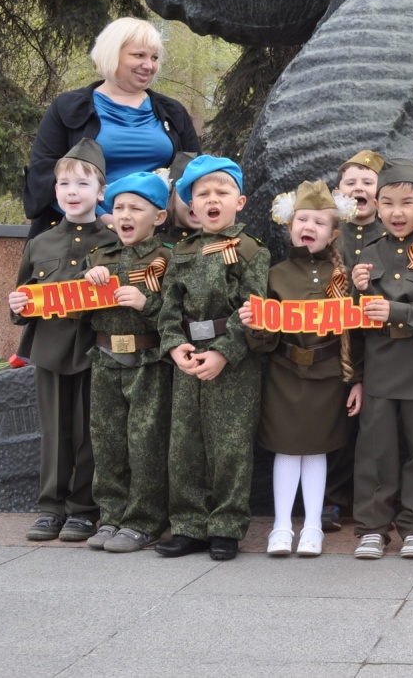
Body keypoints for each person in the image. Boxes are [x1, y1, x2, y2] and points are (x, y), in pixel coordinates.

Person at [240, 180, 363, 558]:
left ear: (334, 232)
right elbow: (263, 342)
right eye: (302, 220)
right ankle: (281, 525)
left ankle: (312, 526)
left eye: (319, 222)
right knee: (286, 450)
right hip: (284, 374)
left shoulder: (345, 276)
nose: (309, 227)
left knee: (316, 451)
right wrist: (254, 324)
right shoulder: (274, 274)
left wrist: (356, 378)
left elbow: (356, 333)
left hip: (328, 376)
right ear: (289, 225)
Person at [156, 155, 270, 561]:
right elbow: (167, 309)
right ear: (191, 206)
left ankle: (225, 526)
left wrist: (224, 352)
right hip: (188, 357)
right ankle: (188, 525)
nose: (212, 199)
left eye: (221, 192)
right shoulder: (181, 253)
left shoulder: (251, 251)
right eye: (202, 194)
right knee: (184, 445)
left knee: (230, 446)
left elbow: (254, 309)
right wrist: (174, 345)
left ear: (239, 201)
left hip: (232, 363)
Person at [8, 138, 116, 542]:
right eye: (65, 184)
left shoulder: (113, 242)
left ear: (101, 192)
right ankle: (50, 507)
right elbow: (23, 299)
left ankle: (83, 509)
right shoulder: (41, 243)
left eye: (83, 184)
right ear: (55, 192)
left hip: (95, 347)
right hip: (49, 348)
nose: (73, 192)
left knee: (90, 429)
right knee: (54, 430)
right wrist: (17, 304)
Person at [349, 161, 413, 560]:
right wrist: (357, 294)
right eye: (388, 203)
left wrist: (397, 313)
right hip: (378, 362)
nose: (396, 212)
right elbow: (351, 323)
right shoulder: (366, 255)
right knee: (375, 450)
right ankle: (372, 528)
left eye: (406, 203)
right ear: (376, 205)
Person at [23, 18, 200, 237]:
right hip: (82, 236)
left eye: (154, 58)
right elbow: (43, 174)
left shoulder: (173, 112)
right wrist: (101, 218)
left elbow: (195, 175)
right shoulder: (67, 107)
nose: (149, 65)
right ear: (112, 54)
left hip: (157, 238)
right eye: (139, 55)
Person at [80, 171, 172, 553]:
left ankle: (143, 520)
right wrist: (87, 281)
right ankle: (111, 515)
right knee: (107, 441)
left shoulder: (168, 258)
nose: (126, 215)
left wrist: (146, 303)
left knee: (145, 441)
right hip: (104, 360)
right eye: (118, 207)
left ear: (160, 217)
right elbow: (76, 312)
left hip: (147, 360)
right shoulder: (99, 256)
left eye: (137, 207)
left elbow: (178, 314)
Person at [325, 149, 387, 532]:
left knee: (377, 429)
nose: (359, 189)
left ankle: (379, 499)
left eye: (368, 183)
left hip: (378, 343)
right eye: (351, 183)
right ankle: (332, 499)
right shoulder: (330, 232)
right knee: (335, 422)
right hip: (335, 343)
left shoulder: (392, 236)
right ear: (338, 192)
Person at [156, 151, 201, 247]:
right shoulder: (150, 240)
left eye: (204, 195)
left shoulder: (220, 243)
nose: (198, 202)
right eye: (189, 193)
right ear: (171, 196)